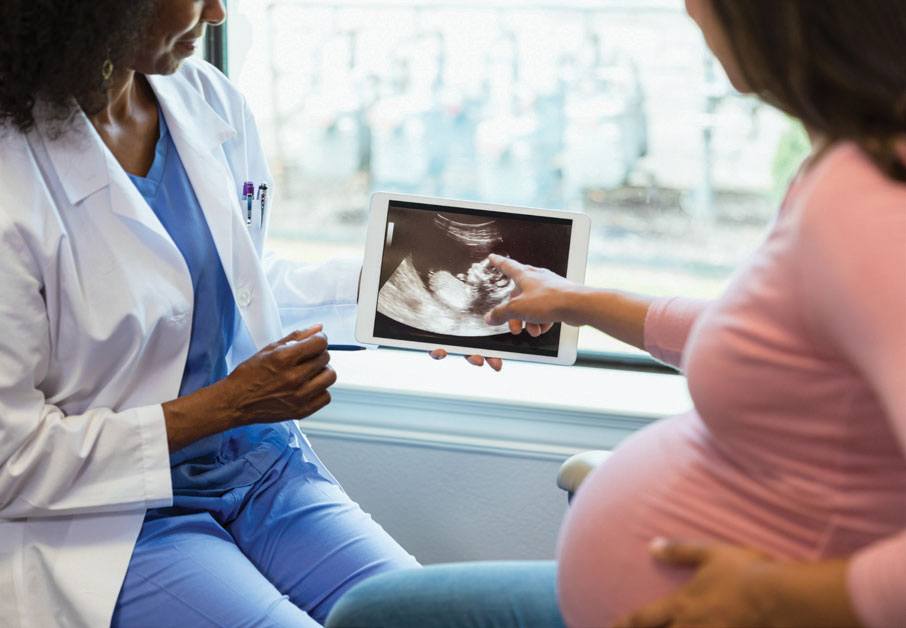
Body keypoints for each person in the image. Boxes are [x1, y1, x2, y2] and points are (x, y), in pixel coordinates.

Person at [325, 1, 906, 627]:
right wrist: (579, 301)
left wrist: (784, 597)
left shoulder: (871, 200)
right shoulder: (843, 164)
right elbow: (768, 346)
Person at [0, 1, 473, 625]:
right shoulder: (14, 177)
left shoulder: (205, 99)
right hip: (113, 519)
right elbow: (13, 459)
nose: (218, 13)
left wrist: (417, 299)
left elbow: (235, 285)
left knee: (431, 616)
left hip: (259, 467)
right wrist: (227, 405)